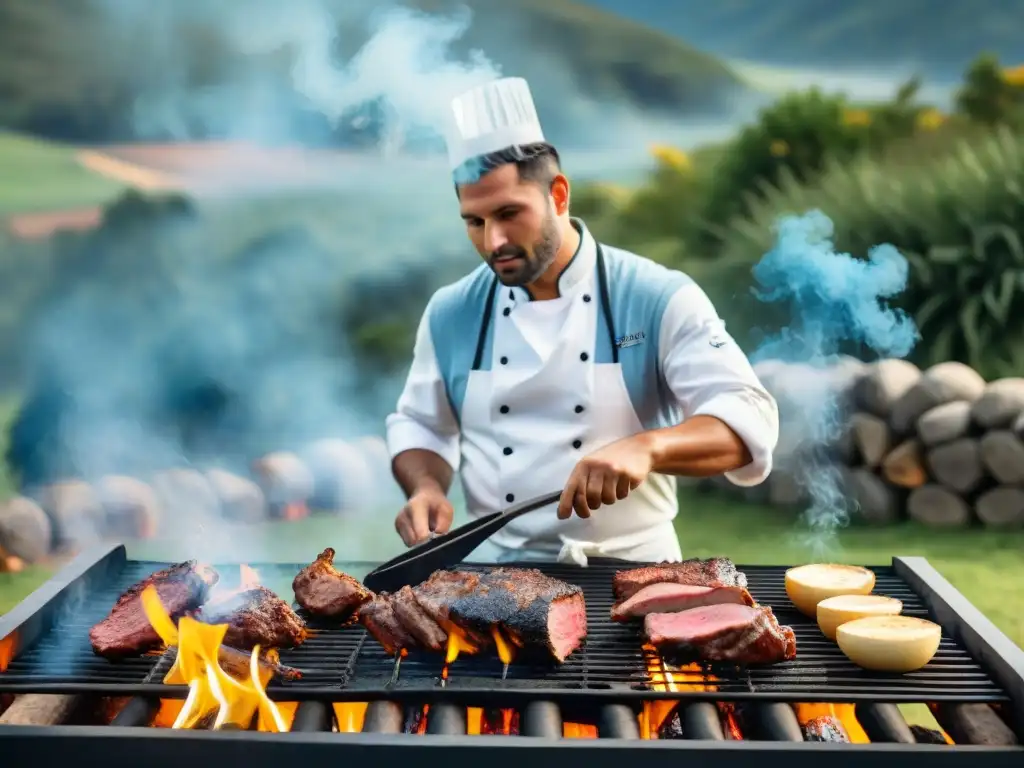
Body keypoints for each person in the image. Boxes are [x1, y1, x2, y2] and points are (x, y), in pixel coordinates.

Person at [385, 77, 779, 564]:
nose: (493, 241)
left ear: (559, 194)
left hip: (635, 569)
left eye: (510, 213)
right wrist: (425, 487)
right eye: (475, 220)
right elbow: (422, 426)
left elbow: (748, 419)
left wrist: (648, 447)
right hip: (493, 580)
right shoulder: (452, 312)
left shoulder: (655, 296)